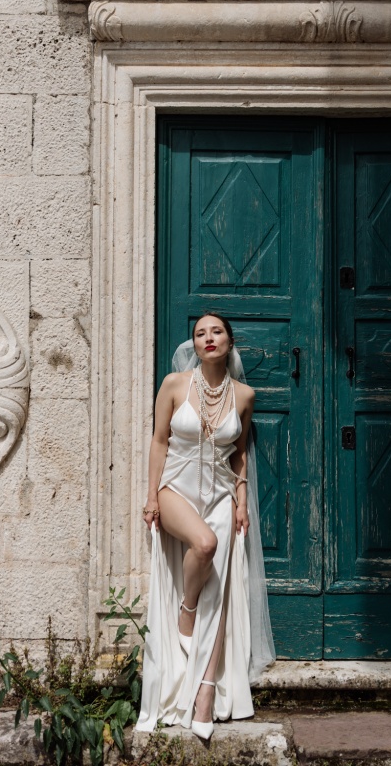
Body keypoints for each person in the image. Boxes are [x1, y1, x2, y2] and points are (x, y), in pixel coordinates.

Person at [136, 313, 275, 737]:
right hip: (175, 487)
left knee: (221, 591)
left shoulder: (245, 395)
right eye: (200, 333)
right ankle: (187, 609)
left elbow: (240, 452)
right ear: (193, 345)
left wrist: (242, 501)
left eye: (216, 332)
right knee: (205, 544)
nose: (208, 338)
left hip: (220, 493)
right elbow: (159, 440)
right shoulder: (174, 385)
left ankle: (206, 696)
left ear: (229, 342)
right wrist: (151, 495)